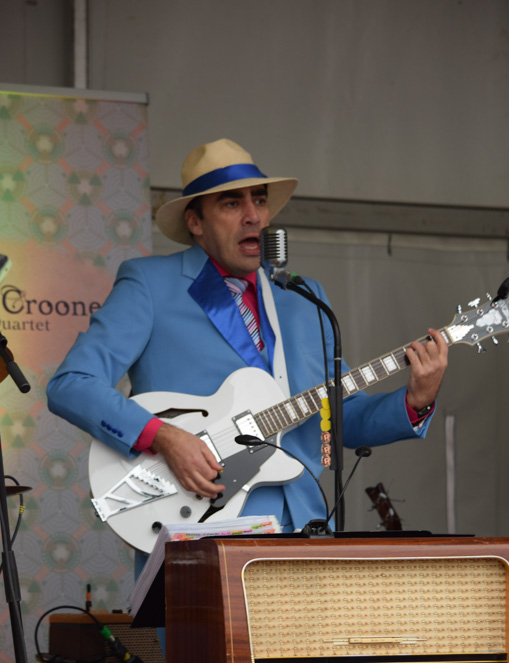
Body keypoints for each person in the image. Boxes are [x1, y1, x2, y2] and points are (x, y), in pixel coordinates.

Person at [46, 137, 448, 549]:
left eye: (259, 200)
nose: (253, 216)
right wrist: (163, 437)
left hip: (303, 529)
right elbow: (71, 384)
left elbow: (340, 416)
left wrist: (415, 401)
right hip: (200, 530)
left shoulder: (305, 297)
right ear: (195, 222)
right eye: (231, 203)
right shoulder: (150, 284)